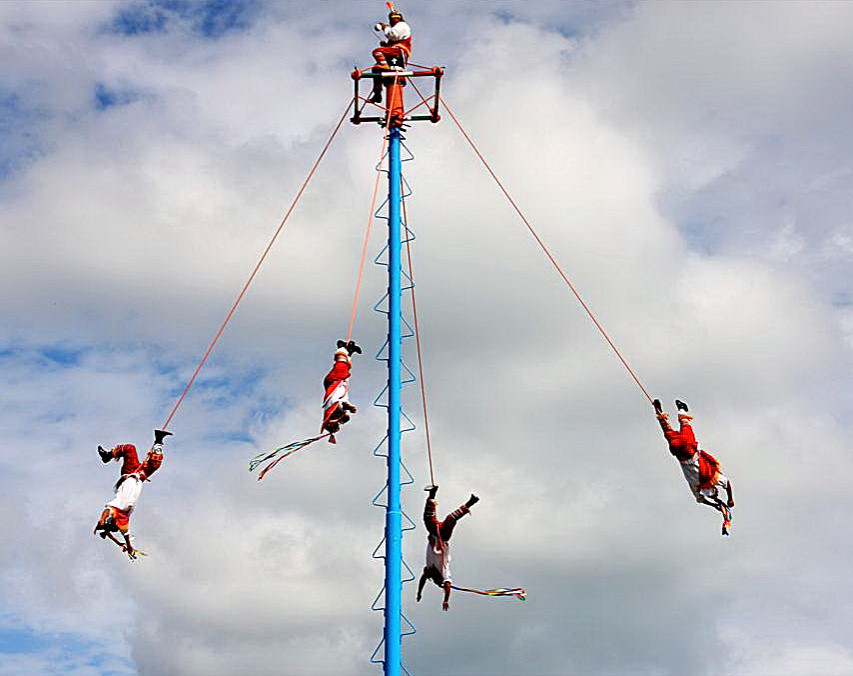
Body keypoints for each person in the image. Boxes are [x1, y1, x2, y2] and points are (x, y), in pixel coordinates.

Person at [654, 398, 735, 535]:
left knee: (670, 435)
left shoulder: (696, 486)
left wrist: (715, 504)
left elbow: (701, 500)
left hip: (681, 455)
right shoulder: (713, 477)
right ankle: (682, 410)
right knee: (684, 431)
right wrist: (729, 499)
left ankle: (661, 413)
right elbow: (727, 484)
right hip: (689, 451)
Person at [93, 429, 172, 558]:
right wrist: (125, 546)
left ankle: (108, 456)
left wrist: (102, 520)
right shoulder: (123, 519)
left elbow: (107, 511)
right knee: (156, 463)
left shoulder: (117, 506)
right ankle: (159, 439)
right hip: (140, 476)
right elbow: (125, 536)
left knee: (130, 448)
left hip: (129, 472)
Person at [416, 485, 479, 611]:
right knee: (451, 519)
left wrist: (419, 592)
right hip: (443, 537)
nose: (426, 571)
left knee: (428, 518)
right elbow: (448, 585)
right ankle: (470, 502)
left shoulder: (429, 568)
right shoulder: (444, 573)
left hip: (434, 533)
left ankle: (432, 494)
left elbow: (423, 579)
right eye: (429, 574)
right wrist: (446, 600)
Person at [368, 6, 412, 104]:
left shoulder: (402, 25)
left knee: (377, 51)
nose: (393, 20)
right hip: (394, 54)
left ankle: (384, 65)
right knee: (376, 69)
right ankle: (377, 93)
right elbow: (394, 38)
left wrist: (385, 27)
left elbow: (393, 35)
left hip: (399, 52)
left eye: (394, 17)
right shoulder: (398, 26)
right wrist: (386, 45)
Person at [322, 340, 361, 443]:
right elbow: (344, 404)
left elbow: (338, 406)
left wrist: (348, 408)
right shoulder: (338, 410)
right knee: (345, 371)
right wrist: (349, 407)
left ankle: (342, 347)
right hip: (339, 384)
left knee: (341, 368)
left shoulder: (331, 410)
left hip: (333, 382)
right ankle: (349, 351)